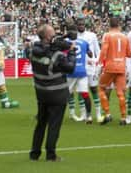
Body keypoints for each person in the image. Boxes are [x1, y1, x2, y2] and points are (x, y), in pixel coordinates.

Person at [28, 24, 77, 162]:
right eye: (53, 34)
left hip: (41, 93)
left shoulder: (33, 51)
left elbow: (40, 49)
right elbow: (70, 68)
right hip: (57, 93)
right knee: (54, 125)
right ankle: (51, 154)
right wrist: (72, 52)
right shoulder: (56, 55)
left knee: (41, 124)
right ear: (48, 37)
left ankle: (34, 153)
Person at [98, 17, 131, 125]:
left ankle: (107, 114)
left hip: (110, 66)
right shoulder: (125, 37)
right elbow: (129, 54)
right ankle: (123, 118)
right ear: (119, 25)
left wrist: (99, 62)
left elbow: (104, 50)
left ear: (109, 25)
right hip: (121, 66)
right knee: (121, 93)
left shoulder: (107, 35)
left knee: (101, 88)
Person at [76, 17, 102, 122]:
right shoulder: (75, 37)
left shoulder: (92, 35)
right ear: (76, 25)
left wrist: (96, 62)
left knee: (94, 89)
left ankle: (98, 114)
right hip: (80, 67)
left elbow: (97, 50)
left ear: (85, 25)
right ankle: (83, 114)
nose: (81, 26)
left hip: (91, 67)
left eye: (82, 24)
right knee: (81, 91)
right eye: (79, 24)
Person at [66, 28, 93, 123]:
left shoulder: (66, 42)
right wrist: (88, 53)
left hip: (71, 71)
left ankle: (58, 115)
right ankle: (89, 116)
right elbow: (90, 54)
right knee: (85, 94)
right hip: (82, 71)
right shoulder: (84, 42)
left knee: (64, 94)